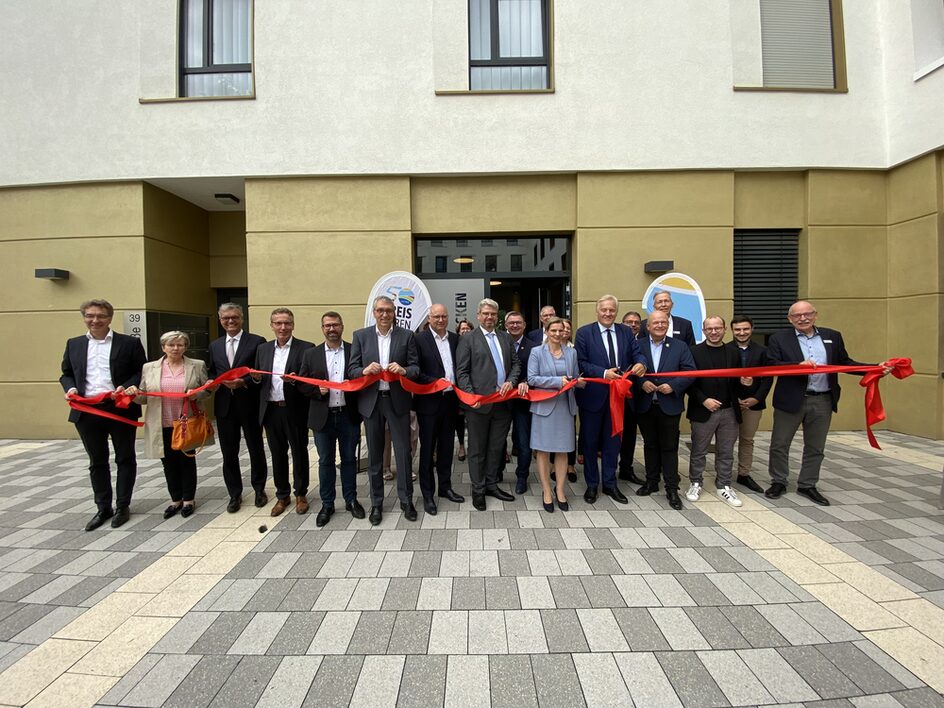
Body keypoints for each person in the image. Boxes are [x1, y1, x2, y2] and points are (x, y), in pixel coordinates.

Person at [766, 301, 888, 506]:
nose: (802, 318)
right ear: (790, 319)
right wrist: (796, 366)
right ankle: (779, 481)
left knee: (815, 446)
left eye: (807, 314)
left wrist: (874, 368)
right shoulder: (779, 338)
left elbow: (845, 364)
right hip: (791, 399)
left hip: (822, 398)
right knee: (779, 444)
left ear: (815, 315)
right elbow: (770, 364)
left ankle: (807, 484)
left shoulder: (832, 336)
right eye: (797, 316)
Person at [60, 299, 147, 531]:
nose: (95, 320)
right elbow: (66, 373)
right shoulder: (74, 344)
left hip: (119, 407)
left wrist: (127, 386)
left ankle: (122, 506)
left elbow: (141, 370)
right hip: (87, 410)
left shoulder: (129, 343)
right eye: (90, 315)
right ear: (84, 317)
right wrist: (70, 388)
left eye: (100, 316)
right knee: (97, 461)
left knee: (124, 458)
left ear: (109, 318)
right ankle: (103, 507)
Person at [349, 296, 420, 524]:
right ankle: (376, 503)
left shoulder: (406, 336)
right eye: (380, 310)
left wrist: (404, 370)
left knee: (403, 453)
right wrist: (363, 370)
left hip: (397, 400)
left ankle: (406, 500)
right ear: (374, 312)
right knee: (375, 457)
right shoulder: (361, 336)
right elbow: (351, 369)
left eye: (389, 310)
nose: (384, 314)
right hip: (372, 401)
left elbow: (416, 368)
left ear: (394, 313)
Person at [126, 331, 211, 519]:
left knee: (187, 460)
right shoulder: (149, 368)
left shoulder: (197, 365)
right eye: (171, 345)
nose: (175, 348)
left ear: (185, 347)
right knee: (168, 463)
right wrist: (133, 394)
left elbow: (207, 390)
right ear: (163, 347)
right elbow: (143, 397)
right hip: (160, 423)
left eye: (180, 345)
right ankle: (176, 499)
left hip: (185, 422)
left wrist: (197, 393)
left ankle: (189, 499)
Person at [575, 294, 647, 504]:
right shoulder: (584, 333)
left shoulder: (626, 331)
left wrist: (642, 363)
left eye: (611, 310)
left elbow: (637, 354)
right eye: (604, 310)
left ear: (616, 312)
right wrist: (603, 373)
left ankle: (610, 484)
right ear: (597, 311)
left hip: (619, 398)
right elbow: (580, 362)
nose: (608, 313)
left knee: (613, 443)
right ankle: (591, 485)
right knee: (589, 443)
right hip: (593, 397)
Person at [456, 298, 525, 511]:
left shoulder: (505, 338)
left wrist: (511, 382)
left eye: (493, 314)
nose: (489, 317)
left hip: (502, 404)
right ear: (478, 316)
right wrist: (472, 397)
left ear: (498, 317)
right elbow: (462, 372)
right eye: (485, 313)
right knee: (477, 449)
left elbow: (516, 364)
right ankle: (478, 490)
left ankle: (491, 484)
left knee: (496, 447)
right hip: (478, 406)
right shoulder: (468, 339)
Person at [297, 311, 364, 528]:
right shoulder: (311, 354)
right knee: (325, 461)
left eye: (335, 325)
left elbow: (364, 380)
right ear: (322, 328)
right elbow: (301, 384)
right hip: (322, 418)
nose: (332, 329)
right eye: (328, 326)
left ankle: (351, 500)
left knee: (349, 460)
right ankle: (327, 504)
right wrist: (318, 390)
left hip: (348, 415)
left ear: (342, 326)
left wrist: (352, 385)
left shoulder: (355, 350)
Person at [207, 303, 268, 513]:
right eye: (226, 318)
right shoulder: (215, 345)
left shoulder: (256, 342)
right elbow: (212, 372)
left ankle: (259, 489)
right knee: (228, 452)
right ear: (220, 319)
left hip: (249, 403)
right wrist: (215, 381)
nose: (230, 321)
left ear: (241, 319)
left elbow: (261, 372)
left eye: (234, 318)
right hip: (225, 406)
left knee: (255, 448)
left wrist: (245, 383)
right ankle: (234, 493)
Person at [253, 308, 314, 516]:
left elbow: (309, 380)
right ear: (271, 326)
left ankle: (301, 494)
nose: (283, 327)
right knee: (277, 454)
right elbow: (257, 378)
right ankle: (282, 495)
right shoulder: (262, 349)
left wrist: (296, 381)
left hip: (294, 409)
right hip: (270, 409)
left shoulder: (306, 348)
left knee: (299, 452)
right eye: (278, 323)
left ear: (293, 325)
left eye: (287, 323)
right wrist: (255, 378)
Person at [633, 310, 695, 510]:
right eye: (655, 323)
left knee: (669, 447)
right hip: (646, 404)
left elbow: (690, 371)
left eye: (663, 322)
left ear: (667, 325)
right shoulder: (638, 346)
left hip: (669, 404)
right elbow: (629, 371)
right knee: (650, 444)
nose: (659, 325)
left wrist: (674, 386)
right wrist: (642, 382)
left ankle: (671, 488)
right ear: (647, 326)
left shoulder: (680, 346)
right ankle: (651, 482)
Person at [685, 316, 747, 507]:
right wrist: (704, 400)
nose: (713, 332)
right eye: (709, 328)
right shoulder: (693, 352)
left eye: (717, 328)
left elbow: (736, 382)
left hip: (729, 410)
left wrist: (746, 383)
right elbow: (688, 381)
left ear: (724, 330)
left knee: (726, 451)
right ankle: (695, 482)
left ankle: (724, 485)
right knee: (699, 450)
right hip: (703, 409)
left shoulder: (733, 352)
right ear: (703, 331)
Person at [528, 317, 583, 513]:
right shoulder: (536, 352)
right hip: (544, 408)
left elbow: (575, 376)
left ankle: (560, 489)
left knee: (562, 450)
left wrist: (579, 382)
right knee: (543, 451)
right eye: (554, 331)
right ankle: (546, 491)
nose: (558, 334)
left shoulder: (572, 352)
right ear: (547, 331)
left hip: (565, 407)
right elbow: (532, 378)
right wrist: (557, 381)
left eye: (561, 330)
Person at [414, 304, 465, 515]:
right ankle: (428, 494)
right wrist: (436, 382)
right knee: (427, 451)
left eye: (444, 316)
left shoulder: (455, 339)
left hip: (451, 402)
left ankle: (445, 488)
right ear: (429, 318)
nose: (441, 320)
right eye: (436, 316)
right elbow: (415, 371)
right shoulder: (418, 340)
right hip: (428, 403)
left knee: (446, 449)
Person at [726, 316, 771, 493]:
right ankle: (724, 474)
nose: (741, 333)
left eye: (745, 329)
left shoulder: (763, 351)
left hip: (753, 403)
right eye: (737, 329)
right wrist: (734, 397)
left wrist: (756, 398)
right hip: (731, 402)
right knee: (726, 441)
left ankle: (744, 474)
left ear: (752, 329)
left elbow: (768, 378)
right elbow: (723, 378)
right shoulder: (726, 349)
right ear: (732, 330)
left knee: (747, 440)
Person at [505, 310, 535, 494]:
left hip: (523, 402)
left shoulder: (534, 347)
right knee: (498, 441)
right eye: (511, 323)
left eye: (518, 322)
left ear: (524, 325)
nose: (515, 325)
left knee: (524, 443)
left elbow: (537, 371)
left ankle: (522, 476)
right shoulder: (499, 343)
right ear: (506, 325)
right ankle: (496, 473)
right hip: (501, 399)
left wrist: (527, 382)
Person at [618, 310, 644, 485]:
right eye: (628, 322)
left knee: (629, 436)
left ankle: (626, 468)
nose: (632, 324)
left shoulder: (644, 343)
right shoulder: (618, 340)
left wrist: (642, 364)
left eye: (636, 322)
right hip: (614, 393)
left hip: (635, 397)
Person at [455, 319, 474, 462]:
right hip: (457, 389)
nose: (465, 331)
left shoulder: (475, 342)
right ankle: (461, 445)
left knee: (473, 419)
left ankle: (473, 446)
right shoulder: (454, 343)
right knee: (459, 420)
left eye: (467, 328)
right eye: (463, 329)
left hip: (473, 388)